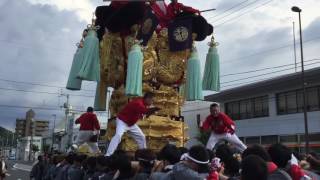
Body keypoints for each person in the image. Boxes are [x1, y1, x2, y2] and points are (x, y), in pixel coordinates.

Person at [105, 92, 160, 156]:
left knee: (142, 137)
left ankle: (144, 155)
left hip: (130, 124)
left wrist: (152, 110)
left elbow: (145, 113)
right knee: (118, 135)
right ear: (148, 99)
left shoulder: (143, 104)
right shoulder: (138, 103)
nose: (152, 102)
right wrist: (154, 109)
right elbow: (145, 111)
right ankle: (108, 155)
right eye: (152, 100)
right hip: (122, 121)